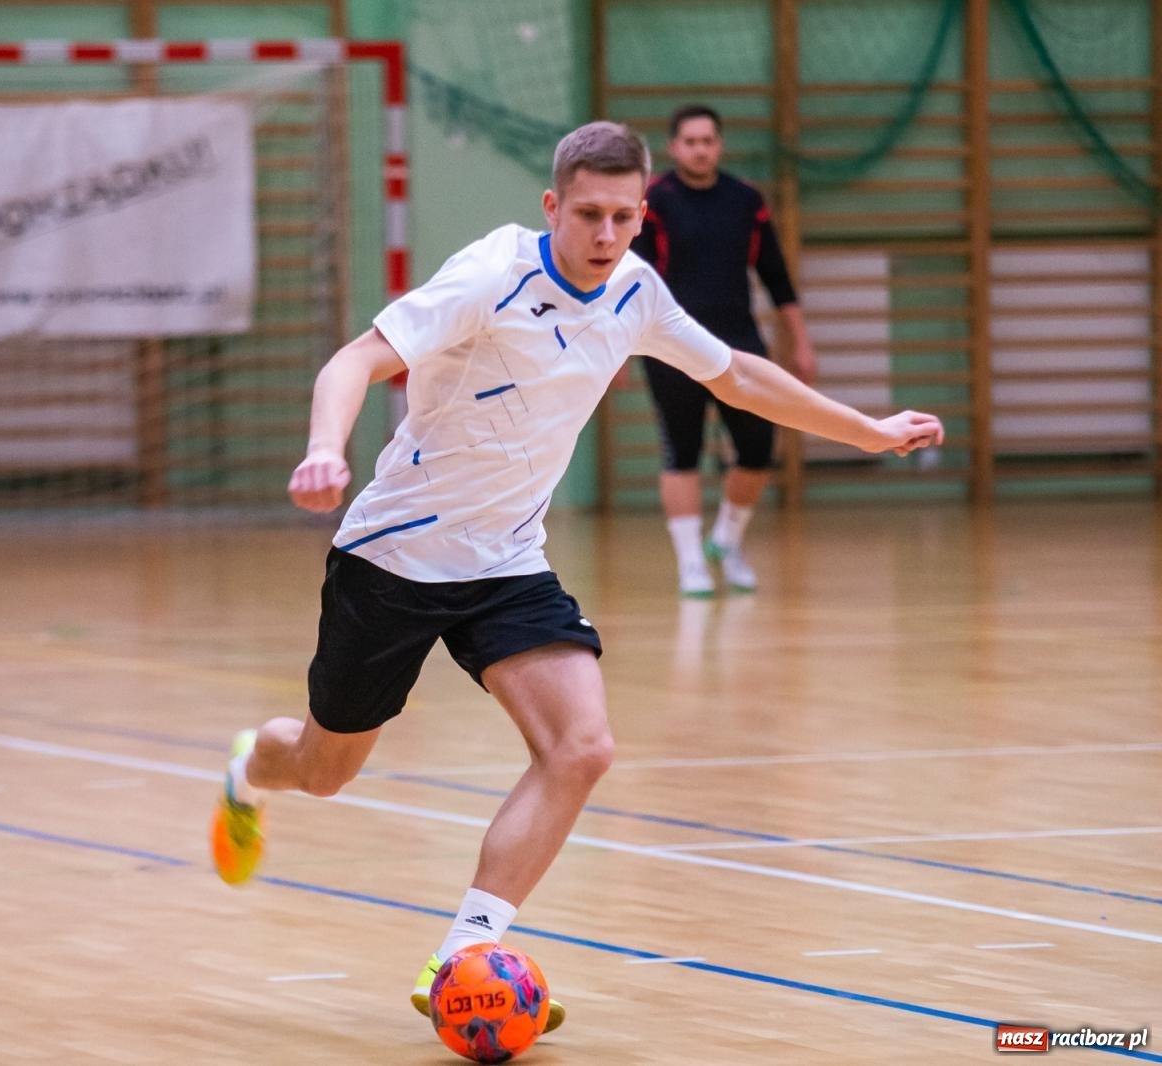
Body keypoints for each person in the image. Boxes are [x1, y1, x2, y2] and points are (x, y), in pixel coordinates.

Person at [210, 120, 940, 1036]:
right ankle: (248, 770)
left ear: (642, 215)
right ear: (553, 206)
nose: (606, 235)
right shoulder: (491, 276)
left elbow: (738, 376)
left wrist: (866, 430)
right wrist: (325, 450)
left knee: (583, 747)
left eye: (624, 217)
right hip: (394, 558)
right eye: (588, 214)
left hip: (508, 560)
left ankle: (465, 955)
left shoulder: (634, 288)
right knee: (322, 770)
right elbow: (356, 358)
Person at [630, 104, 818, 596]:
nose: (700, 148)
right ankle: (690, 562)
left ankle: (726, 540)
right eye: (690, 141)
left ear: (720, 144)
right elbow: (630, 282)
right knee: (682, 451)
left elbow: (776, 276)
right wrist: (616, 349)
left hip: (739, 345)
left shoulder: (745, 201)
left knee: (758, 448)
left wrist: (800, 340)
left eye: (708, 140)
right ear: (674, 147)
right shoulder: (655, 201)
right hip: (671, 346)